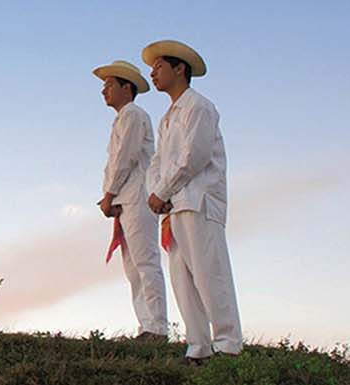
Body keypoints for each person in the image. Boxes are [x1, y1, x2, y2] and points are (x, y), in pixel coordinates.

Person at [141, 39, 242, 364]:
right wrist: (157, 192)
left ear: (179, 68)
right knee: (182, 278)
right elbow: (157, 162)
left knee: (209, 272)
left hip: (198, 201)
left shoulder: (199, 107)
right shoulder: (167, 117)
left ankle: (227, 343)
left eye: (158, 67)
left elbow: (193, 157)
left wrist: (163, 191)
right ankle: (197, 346)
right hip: (174, 204)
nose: (153, 73)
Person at [93, 59, 169, 342]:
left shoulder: (134, 115)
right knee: (133, 268)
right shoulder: (122, 118)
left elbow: (126, 157)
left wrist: (109, 194)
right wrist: (109, 195)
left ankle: (158, 327)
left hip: (136, 198)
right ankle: (146, 325)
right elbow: (114, 162)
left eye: (109, 85)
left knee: (145, 261)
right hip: (125, 200)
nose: (104, 91)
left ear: (127, 87)